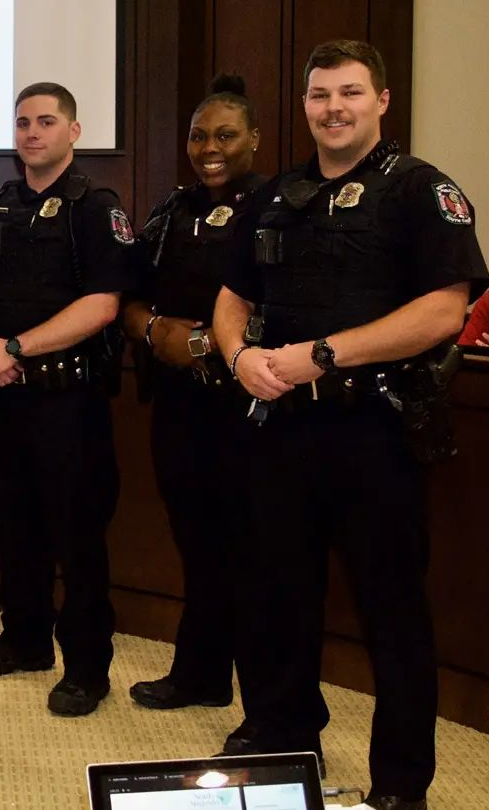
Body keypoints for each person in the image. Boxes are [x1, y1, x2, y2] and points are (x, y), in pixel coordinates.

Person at [211, 41, 486, 810]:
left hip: (376, 432)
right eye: (320, 95)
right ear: (304, 106)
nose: (334, 108)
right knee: (273, 596)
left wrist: (323, 355)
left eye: (350, 93)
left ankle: (401, 786)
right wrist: (238, 357)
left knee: (393, 612)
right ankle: (278, 740)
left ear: (382, 101)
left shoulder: (419, 191)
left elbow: (444, 309)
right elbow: (232, 294)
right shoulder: (274, 194)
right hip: (279, 429)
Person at [0, 82, 136, 717]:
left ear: (73, 132)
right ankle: (24, 641)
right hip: (7, 396)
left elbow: (104, 304)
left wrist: (15, 348)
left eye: (46, 121)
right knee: (16, 526)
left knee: (77, 536)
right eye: (23, 122)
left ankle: (86, 666)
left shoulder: (95, 206)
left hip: (69, 401)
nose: (32, 132)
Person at [119, 75, 264, 711]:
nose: (210, 147)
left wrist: (207, 343)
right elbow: (126, 299)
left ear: (254, 141)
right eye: (199, 135)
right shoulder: (170, 212)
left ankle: (266, 701)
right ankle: (201, 675)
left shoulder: (277, 208)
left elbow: (293, 308)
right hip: (180, 405)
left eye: (226, 135)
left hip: (252, 406)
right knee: (197, 542)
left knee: (250, 547)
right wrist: (155, 331)